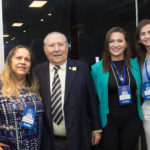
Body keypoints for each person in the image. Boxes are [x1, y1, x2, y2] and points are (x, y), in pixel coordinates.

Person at [34, 31, 102, 150]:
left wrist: (96, 128)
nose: (56, 49)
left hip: (78, 137)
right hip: (48, 140)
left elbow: (91, 99)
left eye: (60, 44)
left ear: (67, 47)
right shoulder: (37, 71)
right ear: (45, 49)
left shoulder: (82, 68)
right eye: (51, 45)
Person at [91, 27, 143, 150]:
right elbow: (92, 100)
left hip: (132, 121)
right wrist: (95, 127)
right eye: (111, 41)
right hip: (109, 124)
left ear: (125, 44)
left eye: (120, 41)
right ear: (107, 45)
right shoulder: (96, 68)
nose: (116, 45)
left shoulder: (135, 64)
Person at [0, 45, 44, 150]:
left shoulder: (35, 87)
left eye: (27, 59)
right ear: (10, 62)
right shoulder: (1, 86)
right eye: (18, 58)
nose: (23, 62)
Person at [135, 19, 150, 150]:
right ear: (139, 39)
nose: (147, 36)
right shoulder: (138, 60)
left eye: (149, 32)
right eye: (143, 34)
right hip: (147, 107)